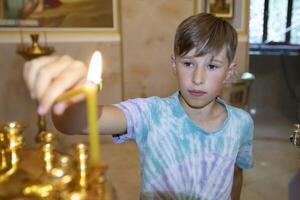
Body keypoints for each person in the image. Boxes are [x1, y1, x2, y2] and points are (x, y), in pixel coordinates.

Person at [23, 13, 254, 200]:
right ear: (174, 64)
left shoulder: (241, 123)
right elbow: (74, 123)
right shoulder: (151, 114)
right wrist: (67, 98)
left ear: (230, 72)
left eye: (212, 66)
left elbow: (234, 173)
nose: (197, 77)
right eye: (188, 63)